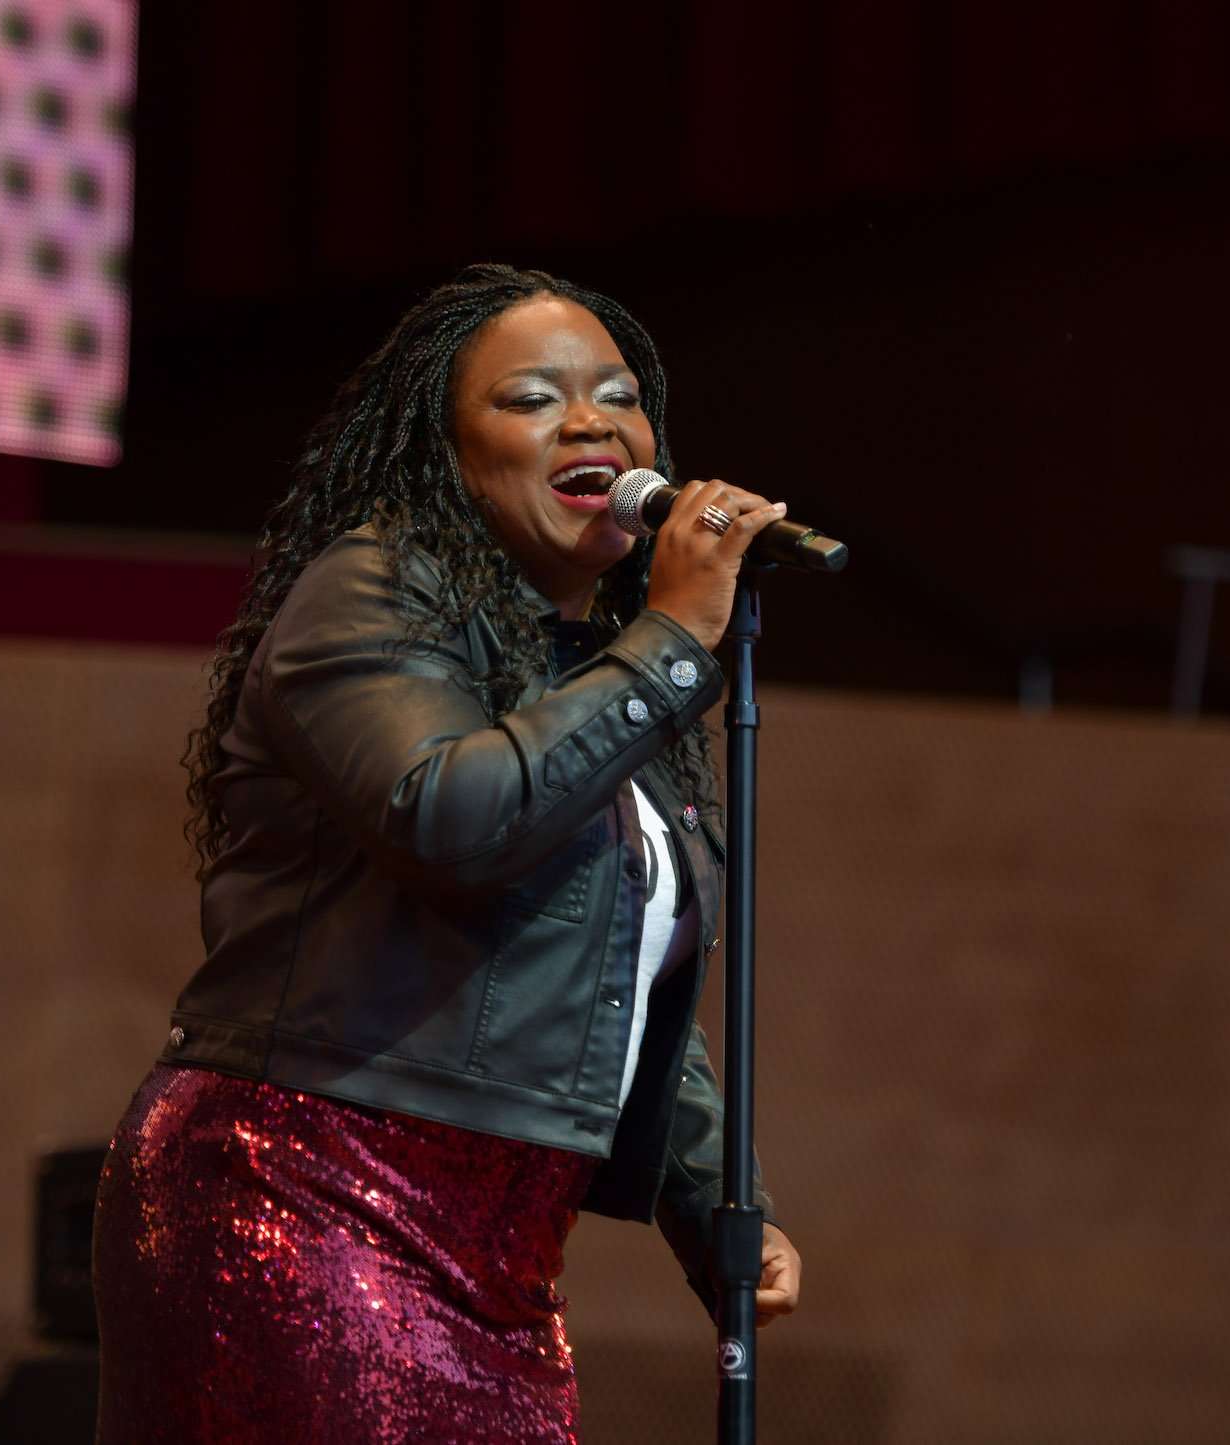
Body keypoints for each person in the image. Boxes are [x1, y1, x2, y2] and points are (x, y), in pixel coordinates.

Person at [92, 263, 803, 1443]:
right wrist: (675, 636)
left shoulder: (583, 679)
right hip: (304, 1197)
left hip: (502, 1262)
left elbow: (619, 985)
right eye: (531, 399)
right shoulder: (366, 593)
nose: (589, 423)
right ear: (448, 457)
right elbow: (454, 819)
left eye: (618, 396)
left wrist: (717, 1204)